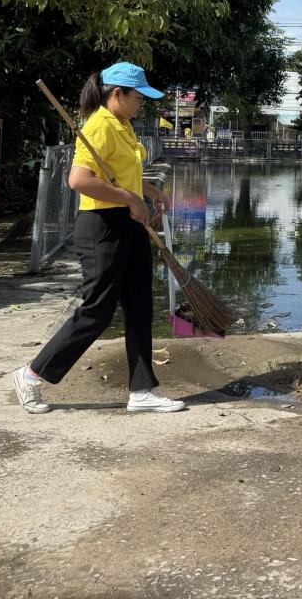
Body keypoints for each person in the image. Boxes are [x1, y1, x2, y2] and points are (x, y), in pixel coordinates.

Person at [12, 62, 183, 415]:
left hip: (129, 224)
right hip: (102, 227)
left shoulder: (123, 125)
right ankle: (31, 375)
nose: (141, 103)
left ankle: (142, 390)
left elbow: (119, 174)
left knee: (140, 305)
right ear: (116, 94)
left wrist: (148, 190)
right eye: (138, 97)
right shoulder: (99, 125)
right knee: (98, 310)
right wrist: (131, 199)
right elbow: (79, 180)